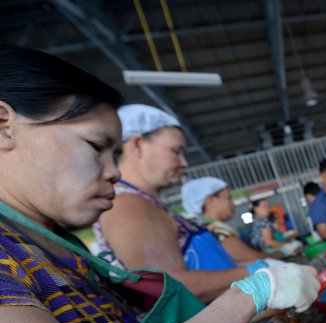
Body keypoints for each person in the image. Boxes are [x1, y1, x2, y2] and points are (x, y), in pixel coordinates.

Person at [0, 44, 319, 323]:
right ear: (3, 124)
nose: (114, 172)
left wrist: (246, 313)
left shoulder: (62, 247)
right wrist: (249, 292)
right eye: (96, 147)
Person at [94, 104, 280, 302]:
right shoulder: (127, 205)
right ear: (138, 145)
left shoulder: (147, 203)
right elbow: (167, 289)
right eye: (176, 151)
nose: (184, 163)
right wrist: (257, 271)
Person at [181, 176, 280, 262]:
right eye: (228, 198)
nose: (232, 204)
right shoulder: (217, 230)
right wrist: (282, 253)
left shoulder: (204, 227)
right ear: (212, 200)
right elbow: (252, 259)